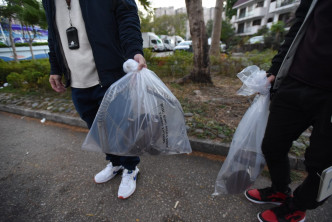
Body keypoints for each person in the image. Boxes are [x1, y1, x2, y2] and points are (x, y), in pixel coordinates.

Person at [42, 0, 147, 199]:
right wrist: (55, 68)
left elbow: (127, 15)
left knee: (120, 127)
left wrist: (134, 50)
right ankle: (115, 163)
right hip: (77, 80)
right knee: (97, 130)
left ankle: (131, 167)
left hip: (110, 75)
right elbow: (52, 33)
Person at [244, 0, 332, 221]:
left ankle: (298, 207)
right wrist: (276, 68)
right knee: (272, 144)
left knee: (321, 163)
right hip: (297, 80)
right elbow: (300, 24)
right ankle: (280, 189)